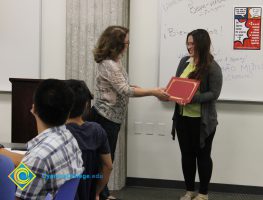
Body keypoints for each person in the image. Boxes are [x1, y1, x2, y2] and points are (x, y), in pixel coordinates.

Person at [90, 25, 169, 200]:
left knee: (105, 159)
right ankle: (96, 194)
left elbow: (122, 86)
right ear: (116, 44)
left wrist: (148, 89)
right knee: (105, 161)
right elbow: (125, 90)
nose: (128, 45)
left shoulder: (115, 61)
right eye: (127, 42)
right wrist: (152, 92)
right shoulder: (110, 64)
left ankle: (101, 193)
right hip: (105, 117)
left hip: (112, 118)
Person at [171, 29, 223, 200]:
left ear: (202, 44)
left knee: (203, 156)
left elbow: (214, 93)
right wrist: (171, 93)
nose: (189, 46)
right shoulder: (184, 61)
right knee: (186, 155)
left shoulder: (212, 67)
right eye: (188, 43)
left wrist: (193, 98)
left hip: (202, 121)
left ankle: (203, 193)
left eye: (193, 43)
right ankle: (189, 191)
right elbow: (178, 84)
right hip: (182, 118)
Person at [13, 79, 83, 199]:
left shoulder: (37, 158)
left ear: (33, 109)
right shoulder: (70, 138)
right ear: (68, 113)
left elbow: (17, 195)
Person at [65, 79, 113, 200]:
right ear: (86, 104)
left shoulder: (54, 135)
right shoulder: (97, 130)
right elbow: (108, 166)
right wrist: (96, 192)